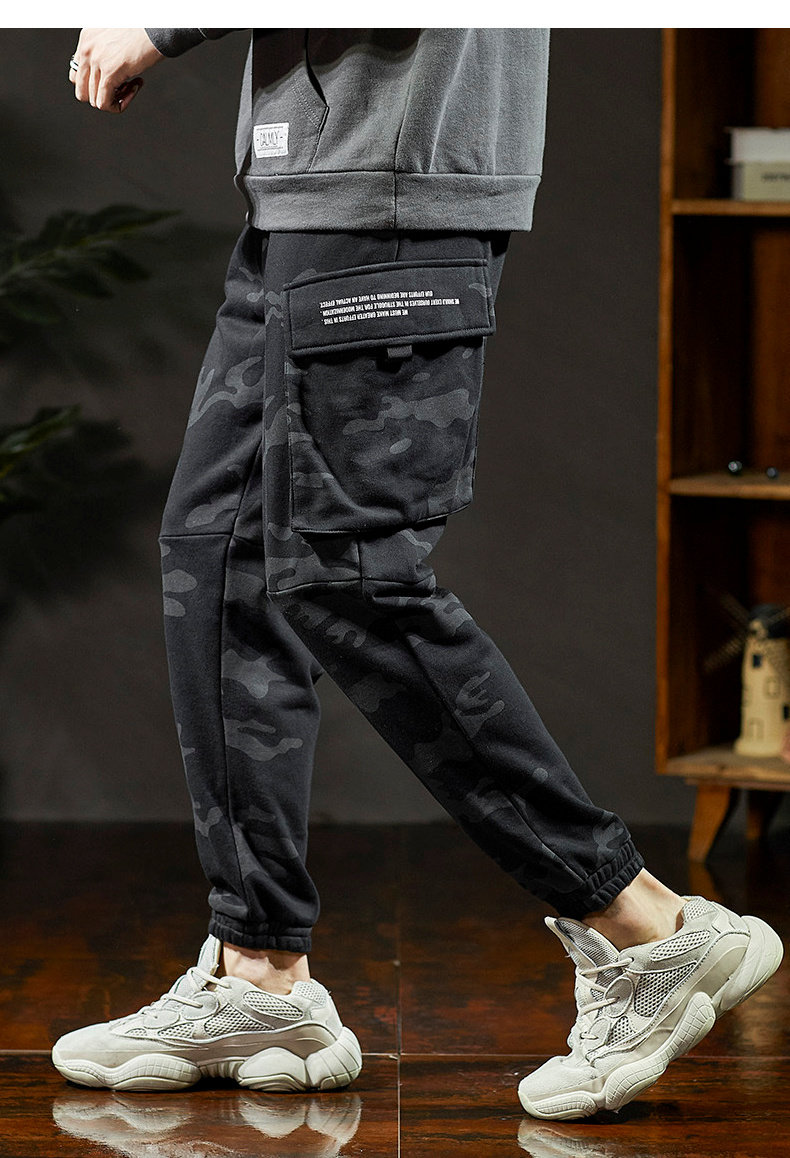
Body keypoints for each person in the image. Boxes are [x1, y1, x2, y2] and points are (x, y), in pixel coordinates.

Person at [51, 27, 783, 1120]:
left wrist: (163, 19)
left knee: (345, 573)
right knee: (223, 563)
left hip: (392, 180)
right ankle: (259, 973)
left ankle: (643, 926)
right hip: (315, 182)